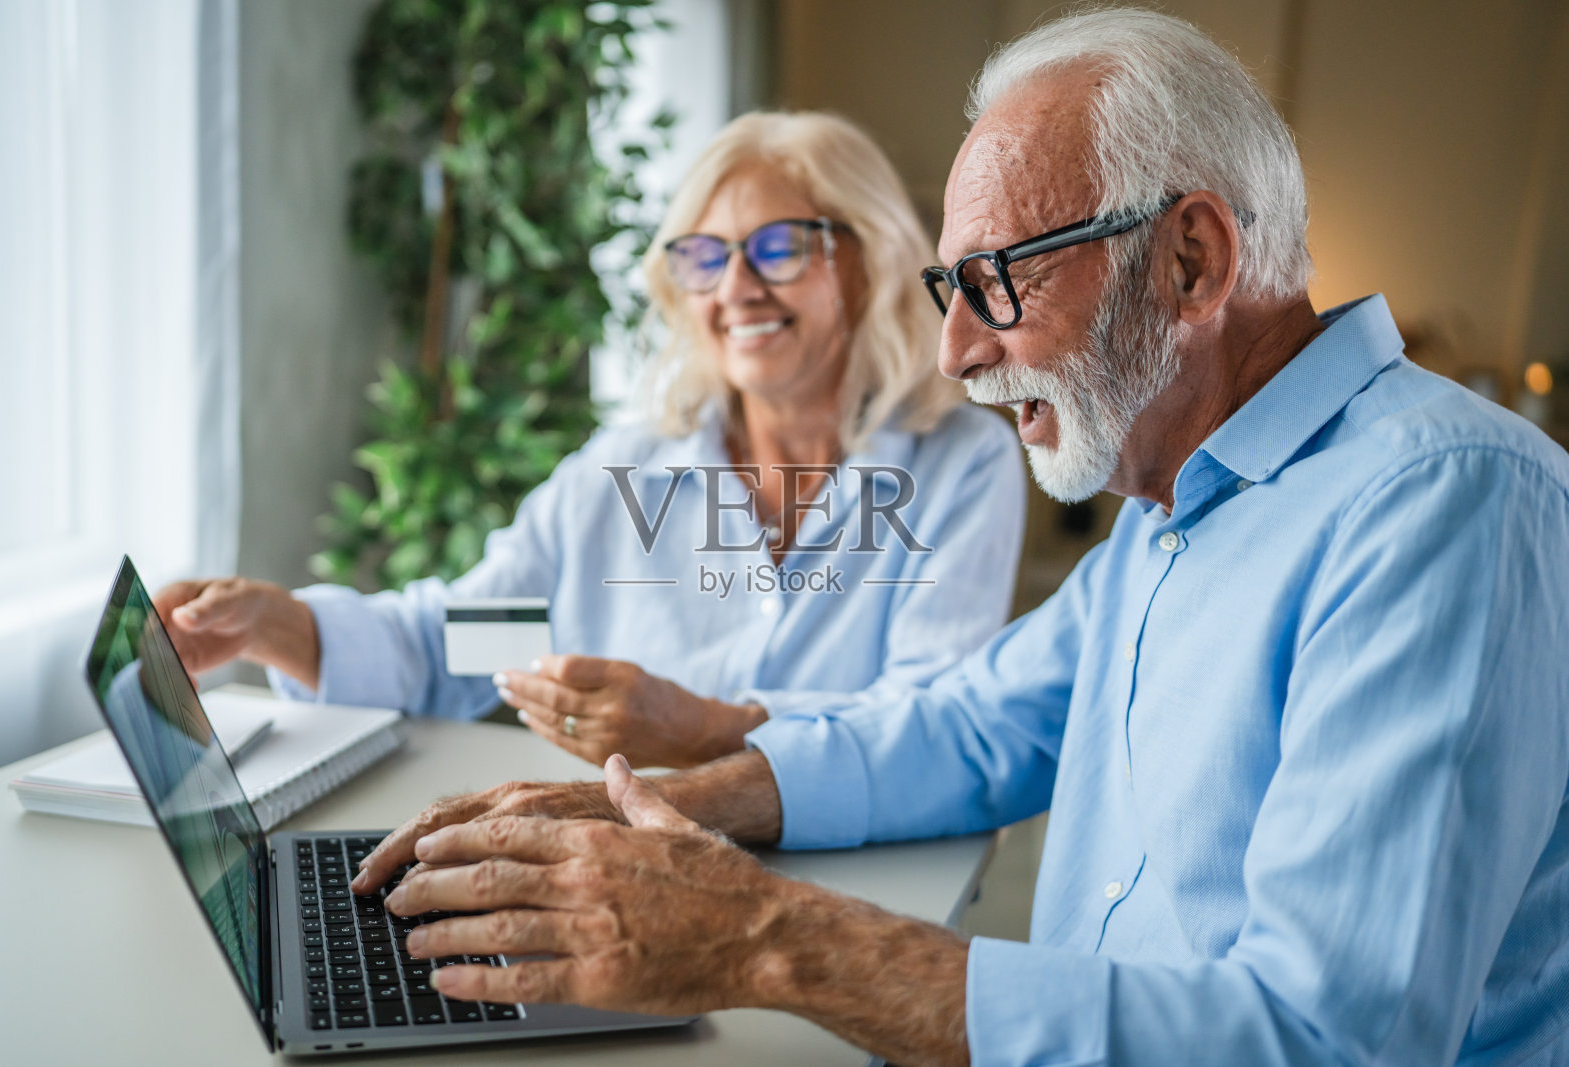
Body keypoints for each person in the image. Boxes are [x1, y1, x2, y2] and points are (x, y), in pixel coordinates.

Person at [349, 9, 1569, 1067]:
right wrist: (326, 632)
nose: (959, 348)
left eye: (998, 279)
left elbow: (1322, 1037)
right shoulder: (627, 465)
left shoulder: (1437, 502)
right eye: (706, 256)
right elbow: (486, 621)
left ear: (1189, 260)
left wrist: (757, 923)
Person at [156, 111, 1027, 770]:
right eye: (705, 256)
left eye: (779, 247)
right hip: (625, 876)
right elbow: (454, 646)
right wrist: (279, 624)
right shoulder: (621, 471)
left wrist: (708, 732)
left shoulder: (959, 466)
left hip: (856, 883)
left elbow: (931, 728)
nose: (737, 288)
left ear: (868, 260)